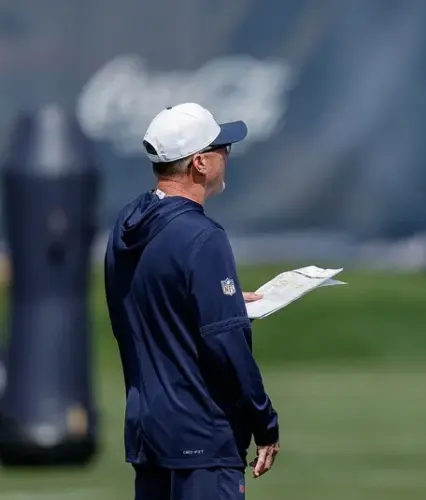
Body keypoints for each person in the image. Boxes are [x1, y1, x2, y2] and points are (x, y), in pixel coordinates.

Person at [104, 103, 280, 500]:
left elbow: (151, 302)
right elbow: (227, 344)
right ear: (200, 162)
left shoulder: (127, 224)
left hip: (148, 434)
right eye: (221, 149)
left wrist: (223, 300)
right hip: (203, 438)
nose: (227, 155)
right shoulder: (203, 236)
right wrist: (265, 421)